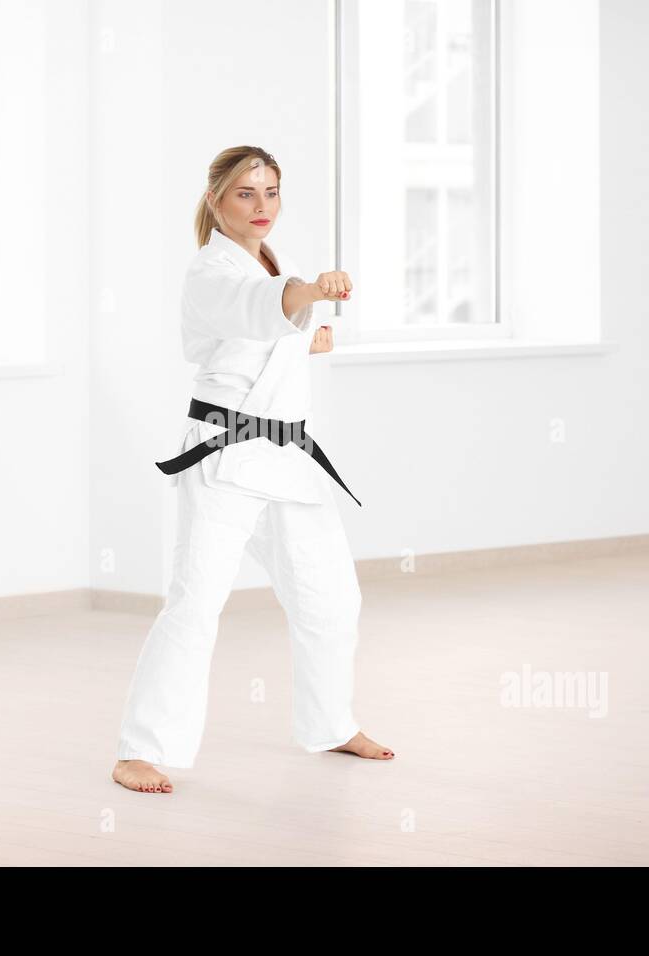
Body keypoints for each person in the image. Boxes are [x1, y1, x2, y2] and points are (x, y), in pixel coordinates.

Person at [112, 145, 394, 795]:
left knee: (333, 599)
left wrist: (314, 331)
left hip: (288, 461)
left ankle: (329, 723)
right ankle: (139, 749)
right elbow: (262, 304)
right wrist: (309, 294)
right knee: (196, 605)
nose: (262, 205)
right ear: (217, 201)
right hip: (227, 459)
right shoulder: (211, 270)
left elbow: (278, 330)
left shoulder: (279, 259)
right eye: (246, 193)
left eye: (271, 192)